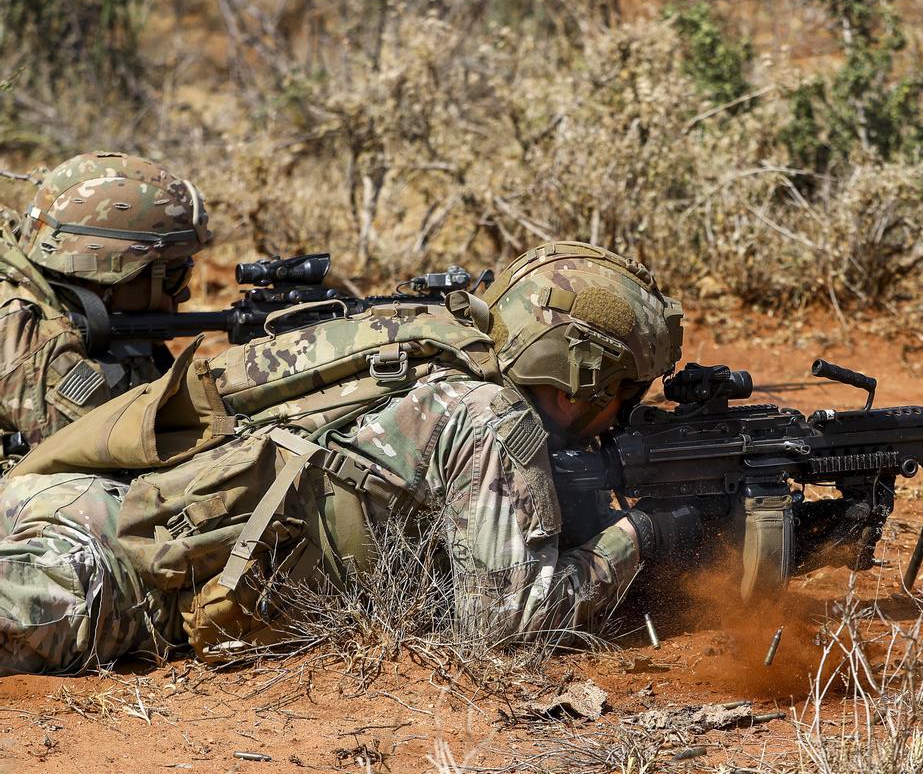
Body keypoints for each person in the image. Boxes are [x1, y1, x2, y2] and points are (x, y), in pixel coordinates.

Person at [0, 241, 700, 674]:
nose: (627, 413)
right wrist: (640, 537)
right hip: (101, 574)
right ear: (582, 377)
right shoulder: (490, 418)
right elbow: (507, 629)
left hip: (72, 496)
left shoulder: (420, 340)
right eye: (628, 392)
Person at [0, 151, 211, 463]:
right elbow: (123, 467)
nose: (184, 295)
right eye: (174, 275)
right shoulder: (39, 351)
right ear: (111, 273)